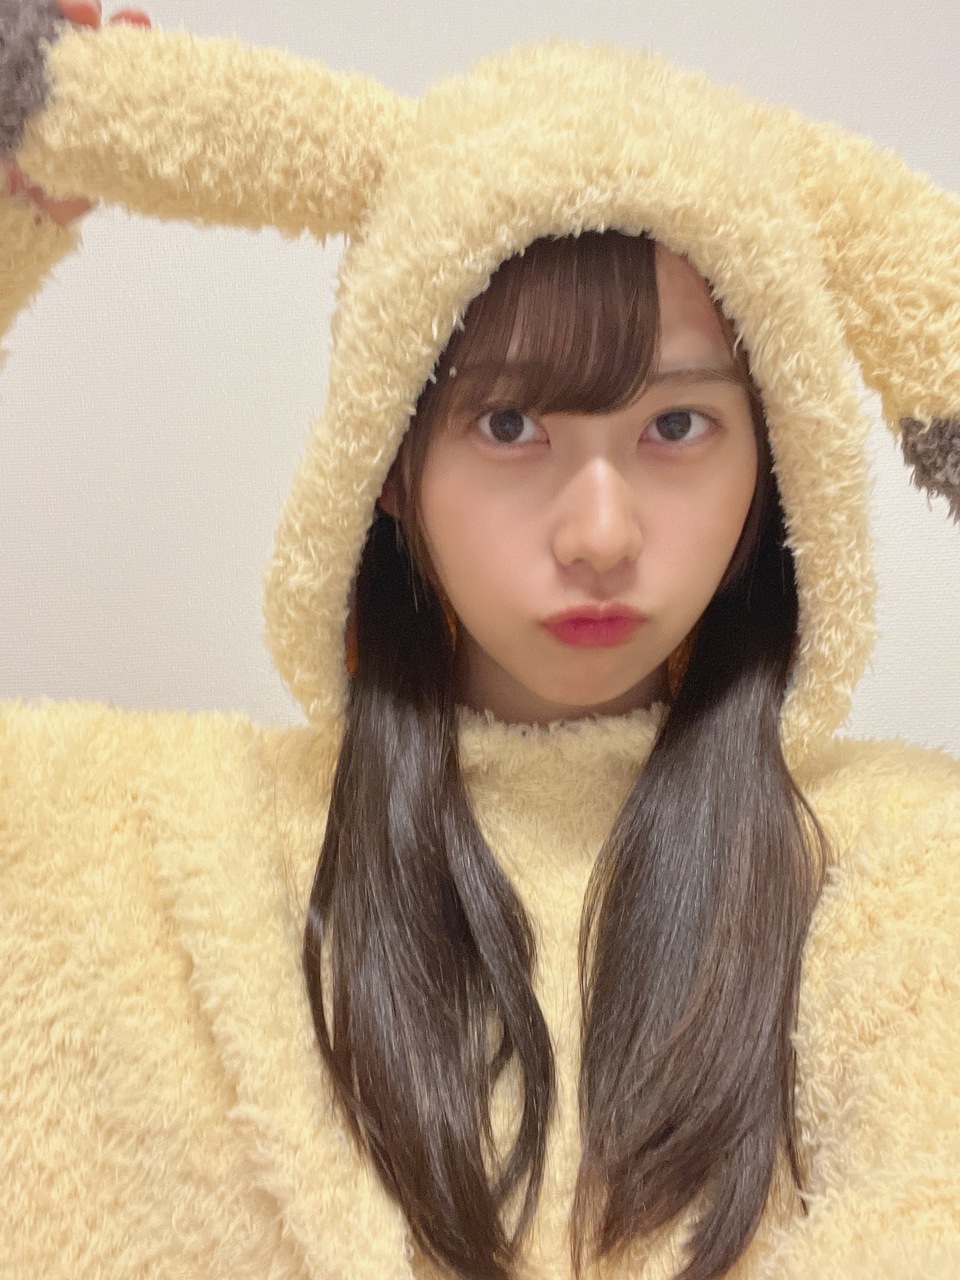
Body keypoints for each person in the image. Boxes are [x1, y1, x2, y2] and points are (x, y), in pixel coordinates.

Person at [1, 5, 958, 1280]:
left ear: (775, 464)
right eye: (510, 424)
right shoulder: (147, 837)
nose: (601, 531)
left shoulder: (893, 864)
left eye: (677, 426)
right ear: (390, 464)